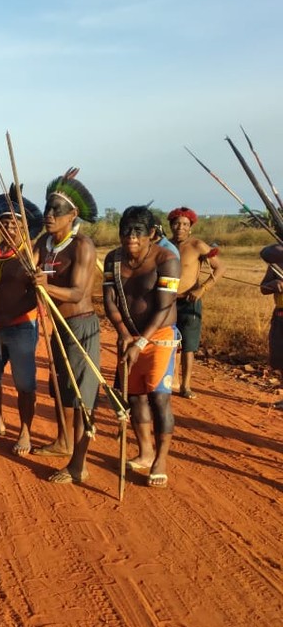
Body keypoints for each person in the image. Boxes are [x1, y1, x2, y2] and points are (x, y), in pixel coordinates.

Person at [103, 206, 181, 488]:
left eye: (137, 231)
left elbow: (165, 306)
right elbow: (109, 300)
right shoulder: (113, 259)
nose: (130, 237)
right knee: (134, 398)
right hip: (129, 336)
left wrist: (142, 341)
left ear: (151, 233)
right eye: (125, 229)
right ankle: (145, 452)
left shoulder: (167, 259)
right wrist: (124, 333)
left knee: (159, 397)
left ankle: (160, 459)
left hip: (159, 337)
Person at [33, 169, 101, 484]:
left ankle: (79, 464)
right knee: (59, 389)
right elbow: (30, 264)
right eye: (47, 208)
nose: (49, 215)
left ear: (73, 215)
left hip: (80, 326)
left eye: (56, 210)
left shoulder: (82, 246)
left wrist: (45, 286)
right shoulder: (45, 243)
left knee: (81, 397)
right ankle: (63, 441)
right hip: (58, 327)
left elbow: (76, 292)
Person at [0, 190, 42, 455]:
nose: (9, 227)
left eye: (15, 223)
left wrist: (10, 313)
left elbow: (37, 294)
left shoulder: (30, 254)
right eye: (5, 222)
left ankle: (25, 432)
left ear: (24, 227)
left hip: (22, 326)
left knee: (24, 383)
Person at [169, 206, 224, 399]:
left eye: (185, 224)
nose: (180, 227)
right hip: (167, 302)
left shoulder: (197, 245)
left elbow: (220, 268)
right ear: (171, 225)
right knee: (170, 343)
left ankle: (186, 386)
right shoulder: (164, 246)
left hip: (190, 302)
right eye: (177, 223)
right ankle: (171, 380)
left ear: (190, 227)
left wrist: (202, 289)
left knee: (189, 346)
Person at [259, 243, 283, 409]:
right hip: (280, 315)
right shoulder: (277, 262)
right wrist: (273, 284)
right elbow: (264, 288)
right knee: (280, 357)